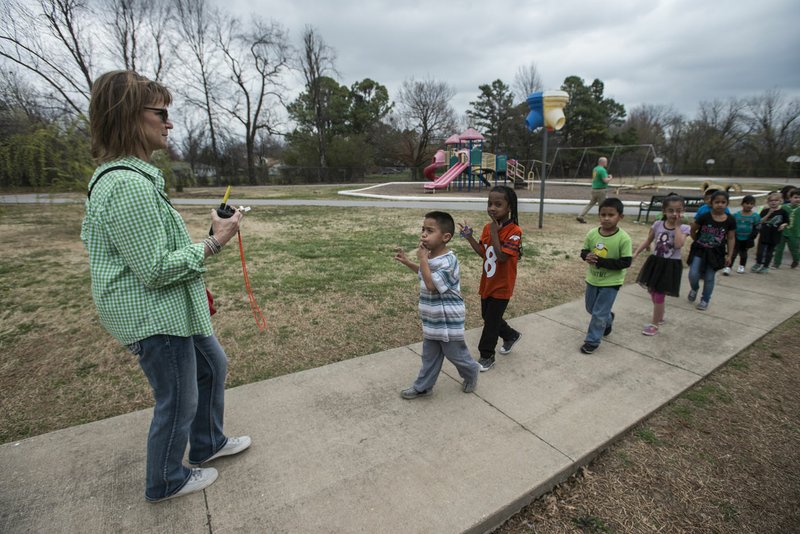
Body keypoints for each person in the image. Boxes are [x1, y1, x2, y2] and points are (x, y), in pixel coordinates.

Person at [81, 70, 251, 503]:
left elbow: (154, 249)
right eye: (161, 113)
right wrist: (215, 243)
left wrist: (210, 233)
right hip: (153, 316)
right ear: (129, 117)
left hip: (174, 308)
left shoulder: (135, 180)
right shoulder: (126, 185)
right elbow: (155, 269)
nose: (169, 122)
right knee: (176, 397)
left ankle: (208, 443)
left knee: (211, 366)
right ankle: (165, 480)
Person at [394, 211, 481, 398]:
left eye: (430, 230)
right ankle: (423, 386)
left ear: (445, 237)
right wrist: (408, 262)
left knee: (456, 355)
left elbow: (432, 285)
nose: (423, 234)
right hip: (433, 318)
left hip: (448, 320)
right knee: (429, 357)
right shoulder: (431, 257)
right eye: (423, 229)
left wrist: (423, 259)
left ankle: (471, 370)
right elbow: (425, 276)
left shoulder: (449, 261)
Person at [459, 186, 523, 371]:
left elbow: (502, 257)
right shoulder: (488, 228)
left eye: (498, 204)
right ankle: (510, 335)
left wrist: (495, 233)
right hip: (488, 281)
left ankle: (487, 355)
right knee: (487, 316)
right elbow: (484, 253)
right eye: (489, 203)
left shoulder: (514, 231)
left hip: (503, 285)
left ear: (509, 206)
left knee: (491, 323)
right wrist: (470, 238)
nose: (492, 208)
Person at [579, 197, 632, 354]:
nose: (606, 218)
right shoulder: (592, 234)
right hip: (593, 279)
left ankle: (592, 341)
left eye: (611, 215)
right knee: (591, 308)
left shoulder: (624, 238)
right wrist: (586, 256)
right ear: (599, 215)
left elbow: (625, 262)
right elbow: (584, 251)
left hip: (611, 282)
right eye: (603, 215)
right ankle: (608, 318)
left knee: (598, 313)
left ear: (620, 217)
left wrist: (601, 262)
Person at [633, 195, 691, 336]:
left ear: (683, 211)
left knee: (659, 295)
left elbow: (678, 245)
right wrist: (635, 253)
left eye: (678, 210)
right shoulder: (658, 224)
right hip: (655, 262)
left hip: (670, 265)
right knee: (652, 291)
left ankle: (654, 324)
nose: (674, 214)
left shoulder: (684, 228)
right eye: (670, 210)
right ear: (664, 211)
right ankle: (660, 314)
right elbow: (648, 240)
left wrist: (677, 226)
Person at [687, 190, 736, 310]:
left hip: (716, 253)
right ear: (711, 203)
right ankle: (694, 288)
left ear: (727, 204)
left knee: (709, 277)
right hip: (700, 250)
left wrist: (729, 255)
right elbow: (692, 230)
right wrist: (697, 241)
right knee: (693, 274)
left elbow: (731, 237)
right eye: (717, 202)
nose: (720, 204)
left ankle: (705, 300)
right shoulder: (704, 217)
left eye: (723, 202)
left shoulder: (730, 220)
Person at [751, 191, 789, 273]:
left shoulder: (783, 212)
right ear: (768, 202)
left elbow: (786, 221)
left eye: (776, 200)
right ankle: (758, 263)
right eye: (771, 201)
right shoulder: (765, 211)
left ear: (780, 201)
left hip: (775, 235)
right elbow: (760, 221)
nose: (773, 202)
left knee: (769, 252)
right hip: (764, 234)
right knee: (760, 251)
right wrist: (769, 213)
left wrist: (783, 225)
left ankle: (765, 266)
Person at [729, 195, 761, 274]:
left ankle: (741, 266)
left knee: (743, 253)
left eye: (751, 204)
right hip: (736, 237)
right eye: (747, 203)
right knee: (733, 253)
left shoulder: (755, 216)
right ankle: (728, 267)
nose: (749, 205)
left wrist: (752, 237)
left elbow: (757, 227)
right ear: (742, 204)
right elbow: (731, 226)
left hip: (747, 238)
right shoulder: (736, 215)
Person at [576, 156, 613, 223]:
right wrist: (610, 178)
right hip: (601, 190)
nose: (606, 163)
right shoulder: (602, 170)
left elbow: (597, 178)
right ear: (603, 162)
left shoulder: (595, 169)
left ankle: (580, 216)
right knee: (602, 206)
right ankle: (603, 219)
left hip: (594, 189)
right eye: (606, 161)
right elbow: (605, 180)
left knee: (590, 204)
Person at [772, 188, 800, 269]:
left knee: (794, 249)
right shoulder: (784, 207)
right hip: (782, 231)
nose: (798, 199)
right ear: (790, 198)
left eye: (799, 197)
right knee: (779, 248)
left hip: (795, 233)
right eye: (795, 197)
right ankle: (776, 263)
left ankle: (796, 260)